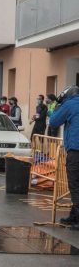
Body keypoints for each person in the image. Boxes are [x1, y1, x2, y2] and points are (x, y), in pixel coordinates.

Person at [49, 85, 79, 230]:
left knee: (75, 184)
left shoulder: (70, 104)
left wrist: (58, 105)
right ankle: (73, 215)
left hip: (76, 149)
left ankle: (78, 219)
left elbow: (54, 122)